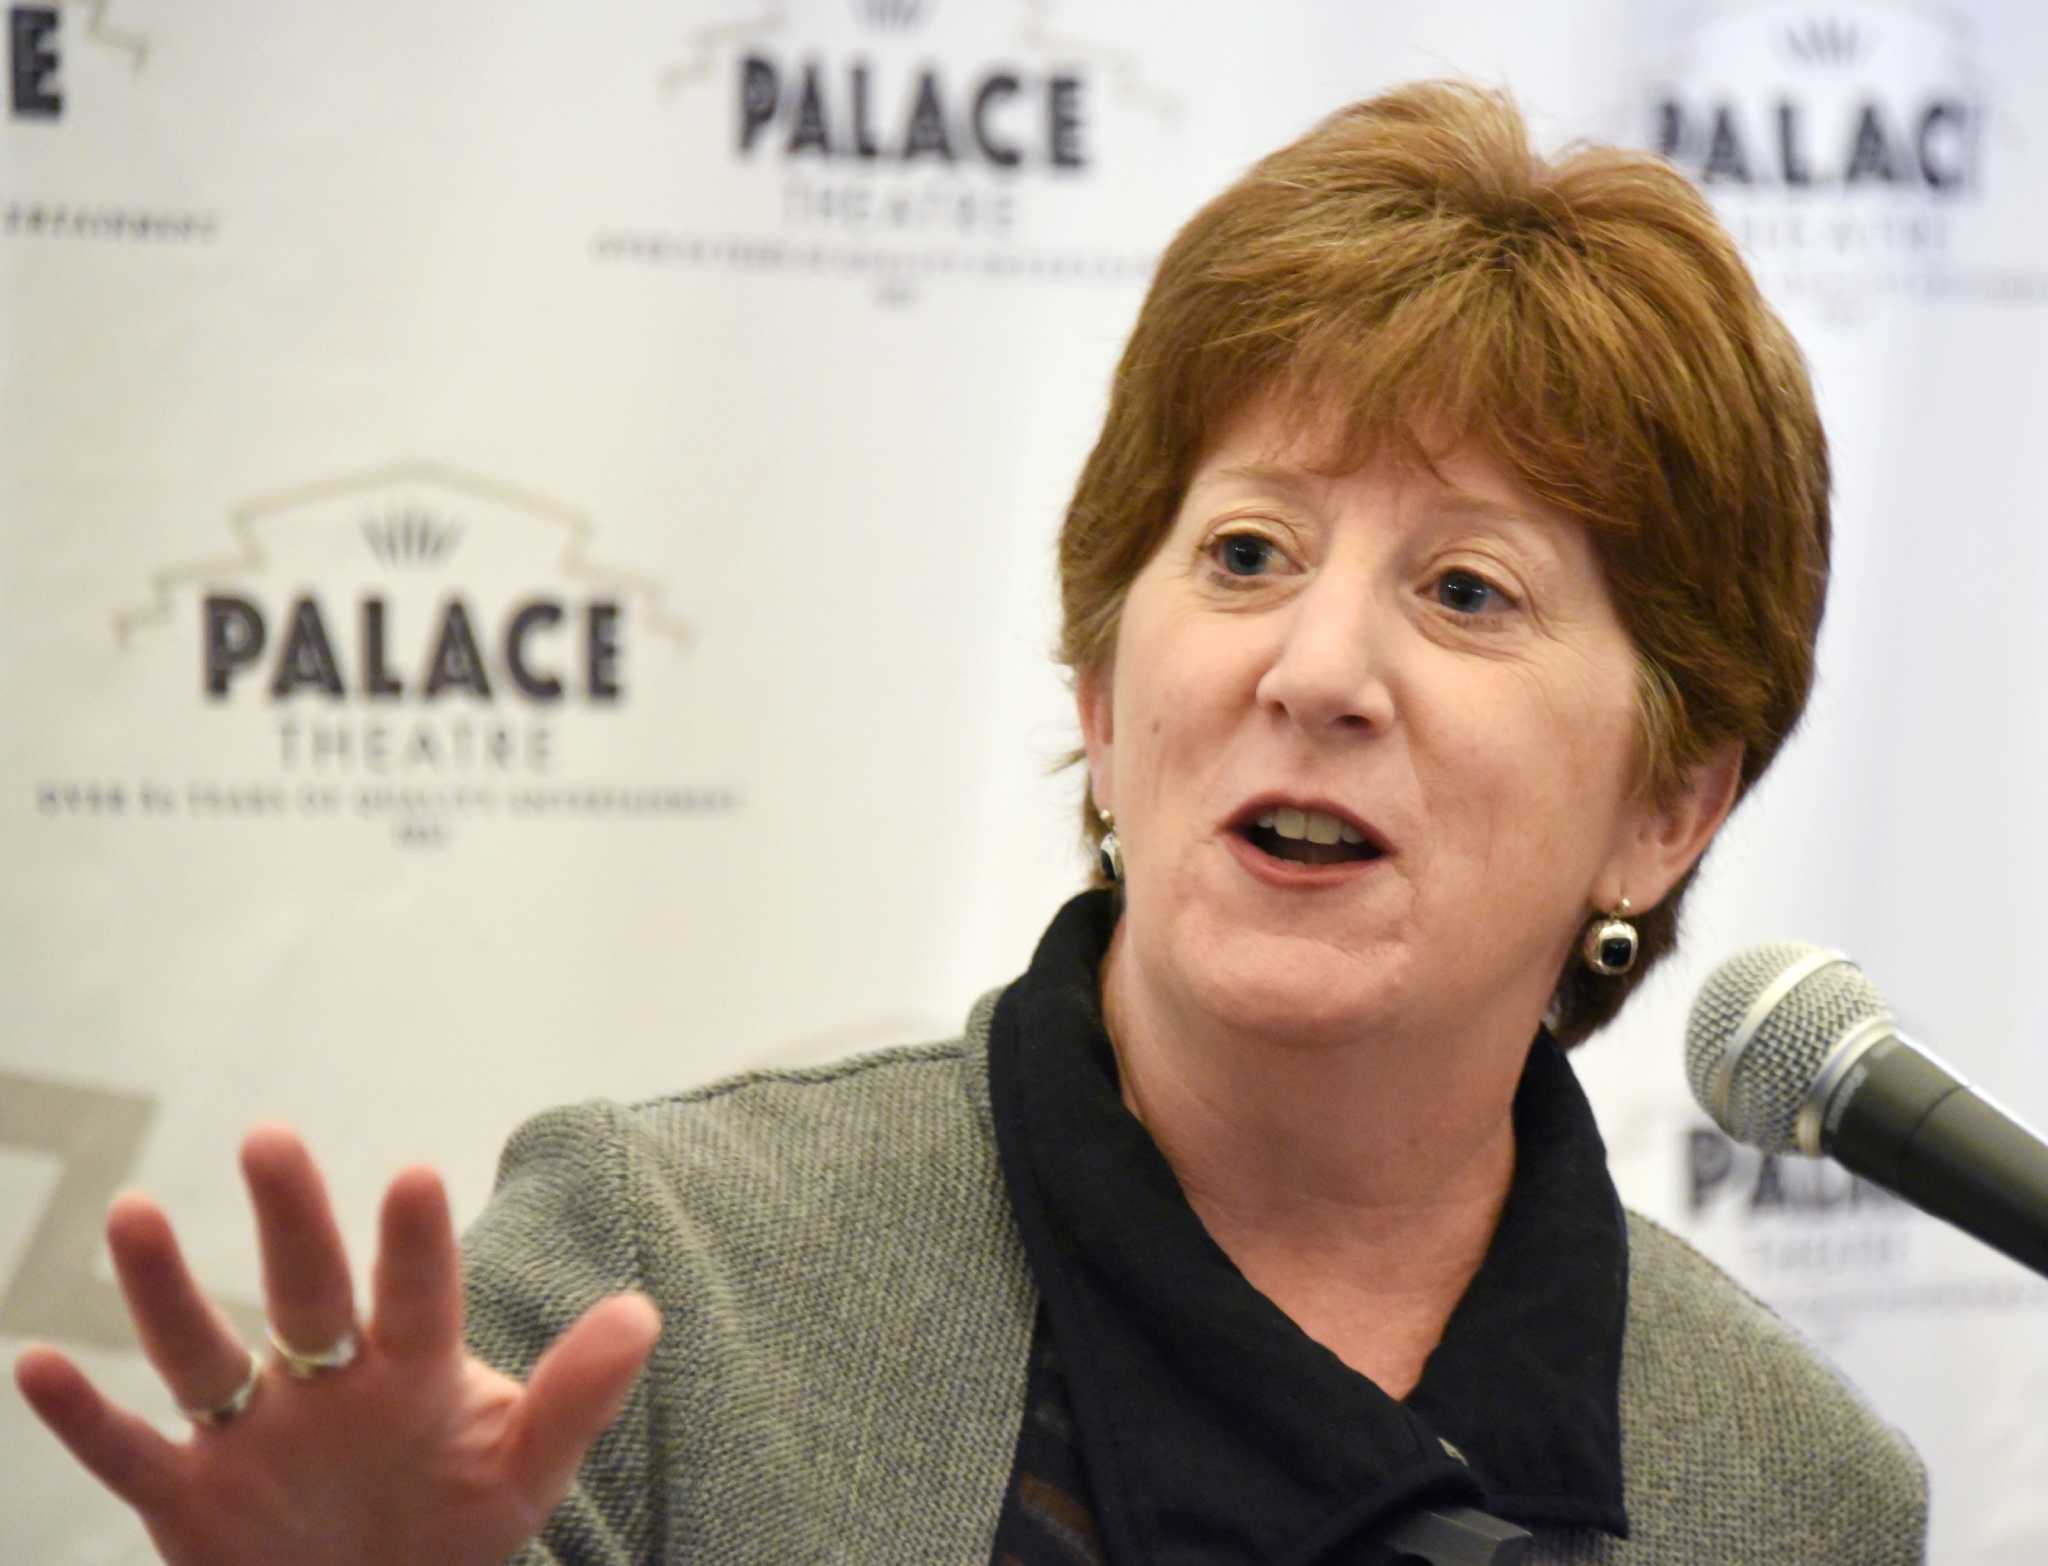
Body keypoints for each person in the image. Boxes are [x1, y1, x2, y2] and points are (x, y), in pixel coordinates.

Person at [15, 82, 1927, 1564]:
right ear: (1101, 692)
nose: (1318, 667)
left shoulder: (1797, 1489)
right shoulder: (666, 1282)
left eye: (1467, 591)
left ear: (1667, 802)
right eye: (1246, 552)